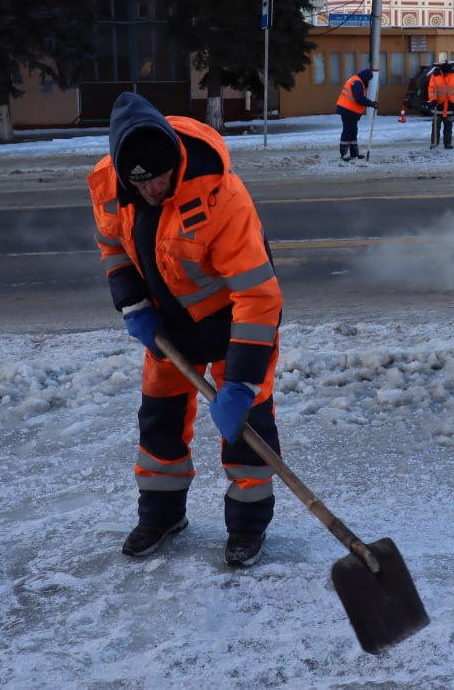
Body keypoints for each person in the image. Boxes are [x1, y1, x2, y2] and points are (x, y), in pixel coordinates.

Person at [87, 91, 285, 568]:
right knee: (159, 422)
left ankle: (246, 528)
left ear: (174, 158)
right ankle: (161, 515)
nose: (153, 189)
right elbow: (112, 247)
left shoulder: (220, 195)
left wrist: (239, 382)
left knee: (247, 427)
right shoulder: (110, 186)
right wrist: (134, 305)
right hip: (166, 326)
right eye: (142, 183)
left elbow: (258, 297)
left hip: (235, 322)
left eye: (159, 177)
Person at [335, 68, 377, 161]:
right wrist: (371, 103)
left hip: (351, 111)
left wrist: (371, 103)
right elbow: (359, 98)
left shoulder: (357, 80)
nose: (368, 82)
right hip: (348, 110)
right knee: (348, 131)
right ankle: (344, 154)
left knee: (353, 131)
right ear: (365, 78)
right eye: (368, 80)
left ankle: (354, 153)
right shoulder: (357, 82)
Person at [426, 61, 454, 149]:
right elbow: (431, 89)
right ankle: (434, 143)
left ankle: (448, 143)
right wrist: (432, 100)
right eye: (445, 73)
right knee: (436, 125)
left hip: (451, 105)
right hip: (438, 105)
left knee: (448, 126)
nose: (446, 74)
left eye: (448, 72)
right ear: (442, 71)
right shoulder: (435, 76)